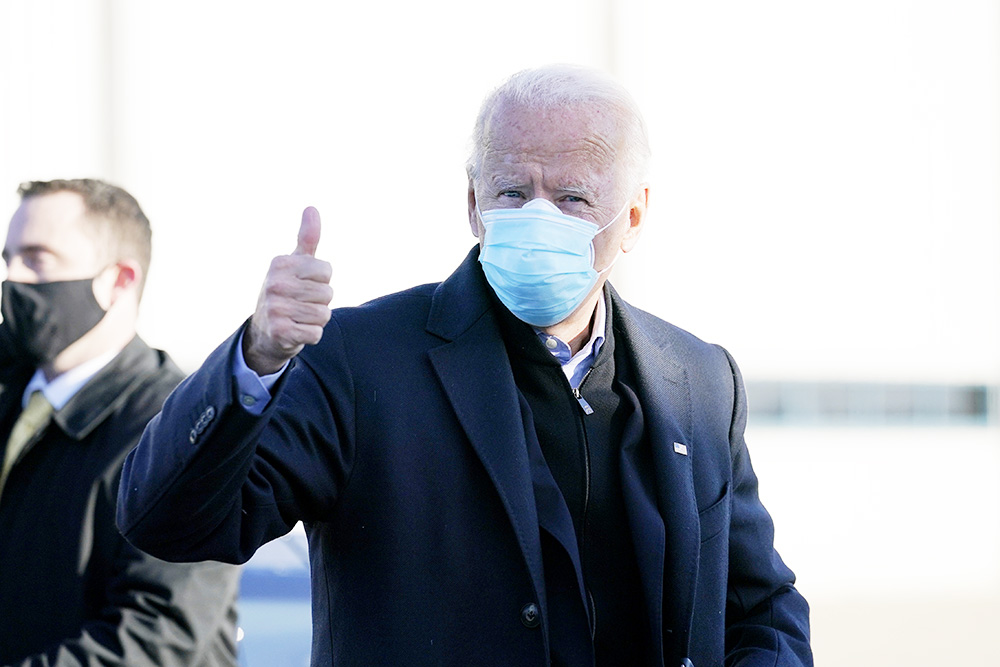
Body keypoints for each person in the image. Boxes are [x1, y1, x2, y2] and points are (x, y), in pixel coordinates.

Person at [118, 65, 813, 666]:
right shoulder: (361, 361)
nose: (538, 215)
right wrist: (256, 357)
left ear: (632, 216)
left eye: (572, 197)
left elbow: (761, 604)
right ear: (473, 203)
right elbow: (170, 522)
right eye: (513, 191)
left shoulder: (697, 379)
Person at [0, 179, 240, 666]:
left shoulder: (184, 428)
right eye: (8, 260)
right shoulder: (12, 394)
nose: (14, 280)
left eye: (37, 258)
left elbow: (160, 634)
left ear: (120, 280)